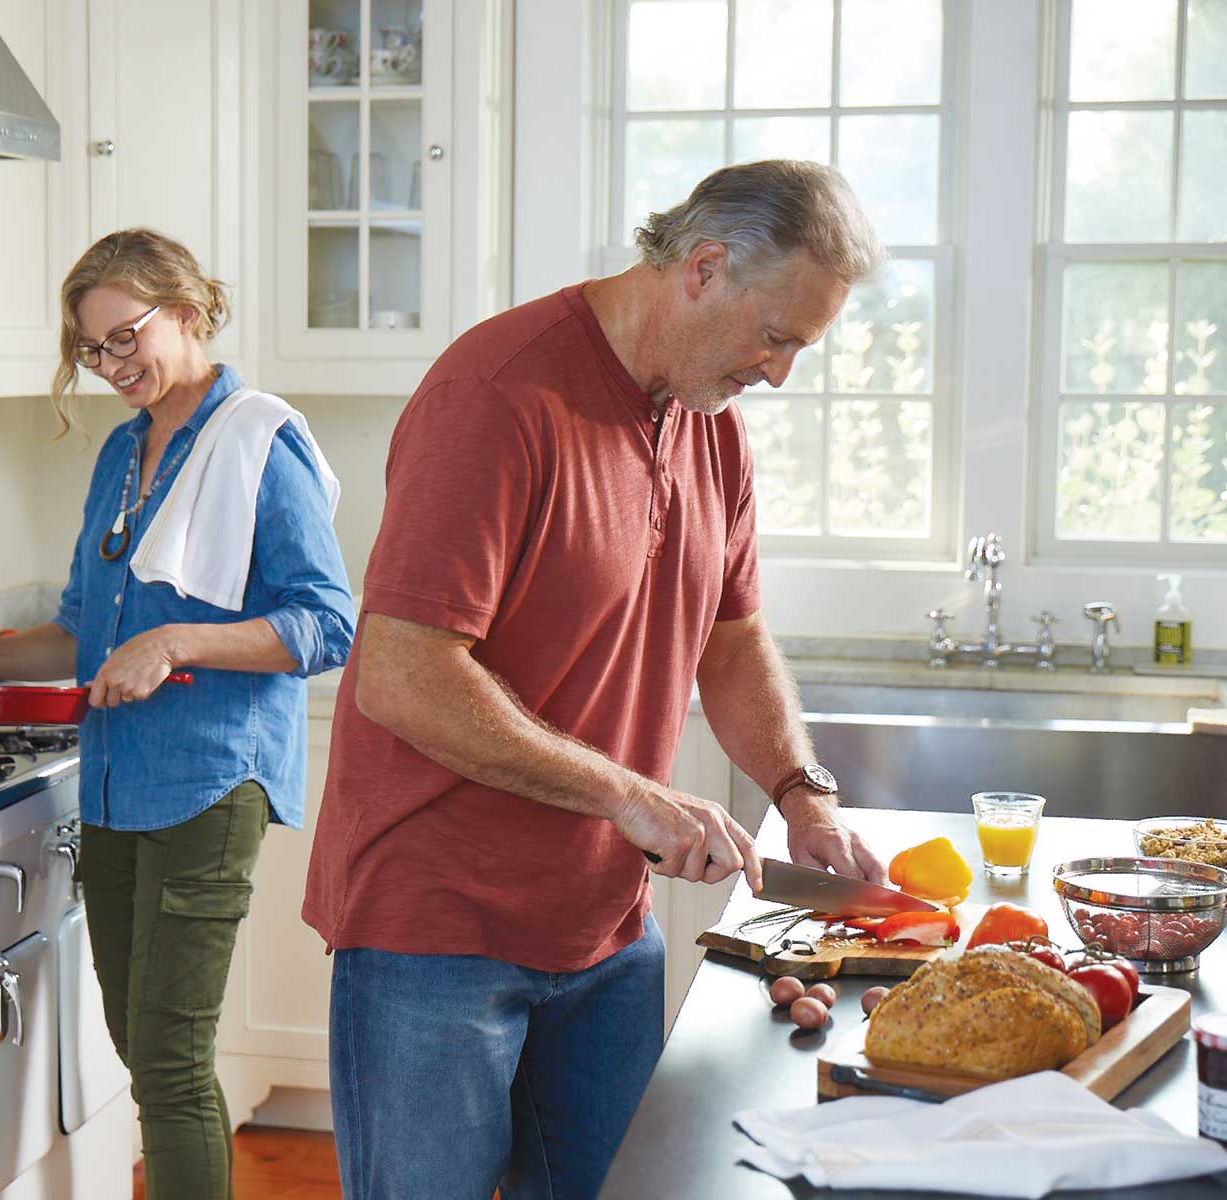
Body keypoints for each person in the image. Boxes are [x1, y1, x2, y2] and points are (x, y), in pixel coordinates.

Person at [301, 160, 889, 1198]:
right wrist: (626, 793)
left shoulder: (712, 428)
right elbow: (400, 671)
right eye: (778, 336)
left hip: (605, 928)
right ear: (703, 268)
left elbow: (734, 638)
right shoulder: (498, 394)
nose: (783, 370)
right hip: (437, 930)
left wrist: (803, 793)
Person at [0, 228, 354, 1199]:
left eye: (125, 336)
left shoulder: (259, 441)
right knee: (134, 1043)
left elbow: (327, 624)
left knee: (173, 1064)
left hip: (209, 779)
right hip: (112, 783)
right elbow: (80, 633)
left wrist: (180, 640)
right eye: (93, 350)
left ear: (186, 310)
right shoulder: (120, 451)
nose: (111, 365)